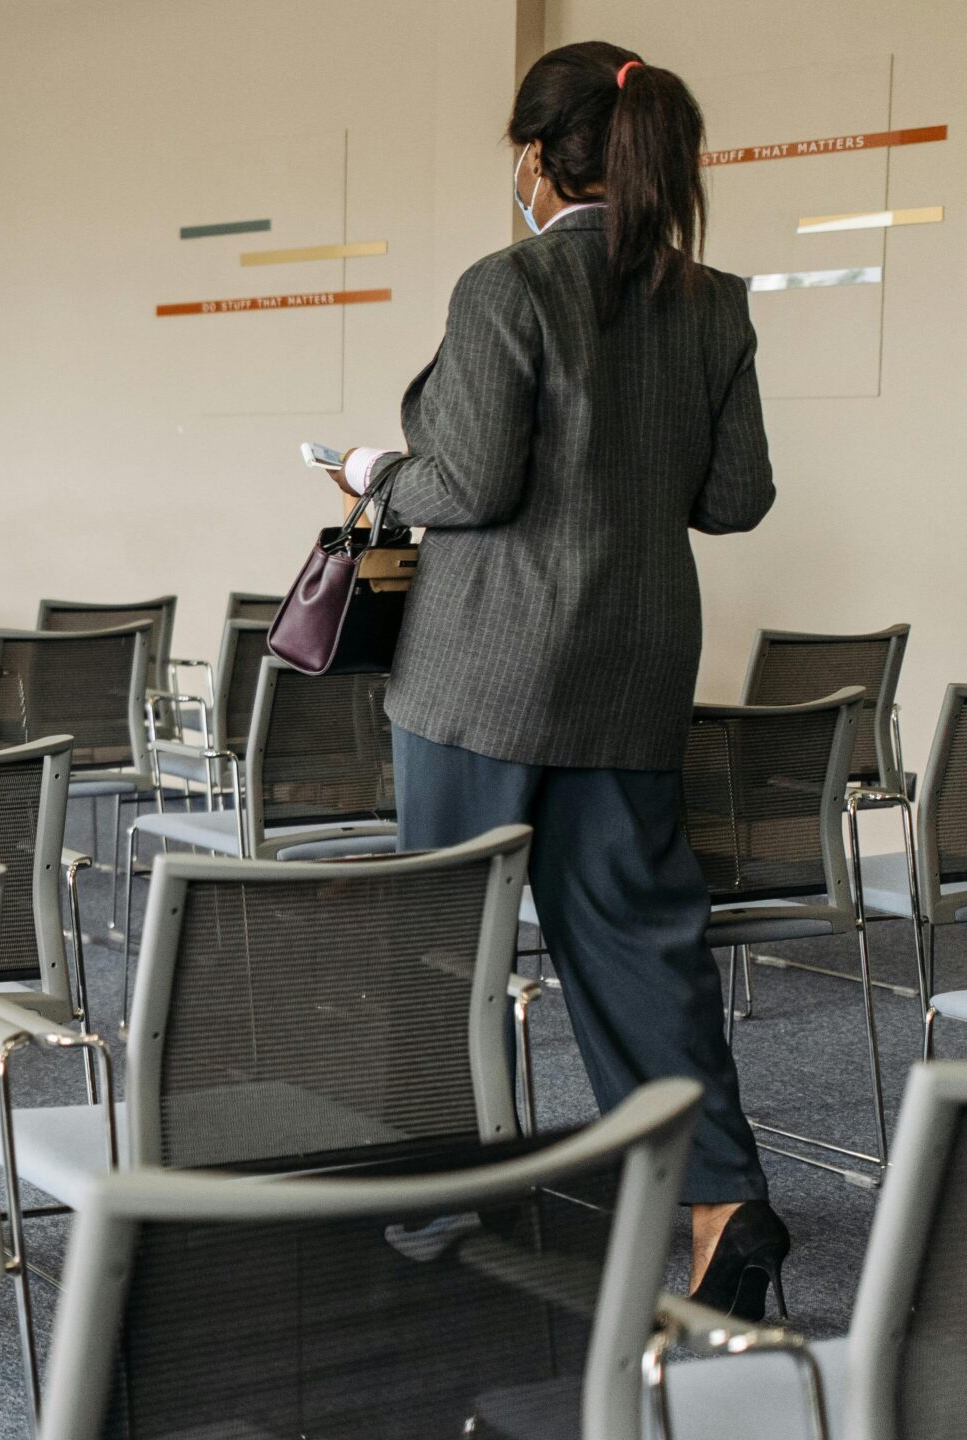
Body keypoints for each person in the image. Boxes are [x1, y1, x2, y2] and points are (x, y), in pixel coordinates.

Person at [328, 43, 781, 1318]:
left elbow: (466, 485)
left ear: (535, 158)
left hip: (483, 680)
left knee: (445, 939)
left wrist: (373, 471)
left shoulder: (506, 286)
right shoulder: (715, 302)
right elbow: (735, 499)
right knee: (645, 946)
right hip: (629, 673)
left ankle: (434, 1193)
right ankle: (720, 1207)